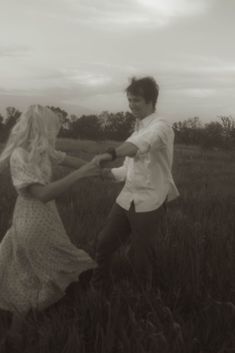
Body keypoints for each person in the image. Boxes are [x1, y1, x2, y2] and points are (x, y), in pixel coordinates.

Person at [0, 105, 99, 334]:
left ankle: (20, 331)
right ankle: (17, 338)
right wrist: (82, 174)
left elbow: (66, 159)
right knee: (37, 274)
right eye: (54, 127)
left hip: (41, 220)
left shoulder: (41, 150)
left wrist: (96, 167)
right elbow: (43, 194)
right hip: (33, 222)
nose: (56, 131)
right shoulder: (20, 155)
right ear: (43, 128)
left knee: (29, 273)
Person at [91, 76, 179, 291]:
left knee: (140, 256)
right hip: (126, 198)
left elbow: (141, 144)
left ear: (151, 101)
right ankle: (98, 287)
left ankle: (142, 299)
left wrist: (110, 153)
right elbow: (128, 170)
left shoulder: (162, 127)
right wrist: (107, 174)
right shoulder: (137, 129)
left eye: (136, 100)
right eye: (129, 100)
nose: (131, 105)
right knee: (104, 243)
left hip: (150, 201)